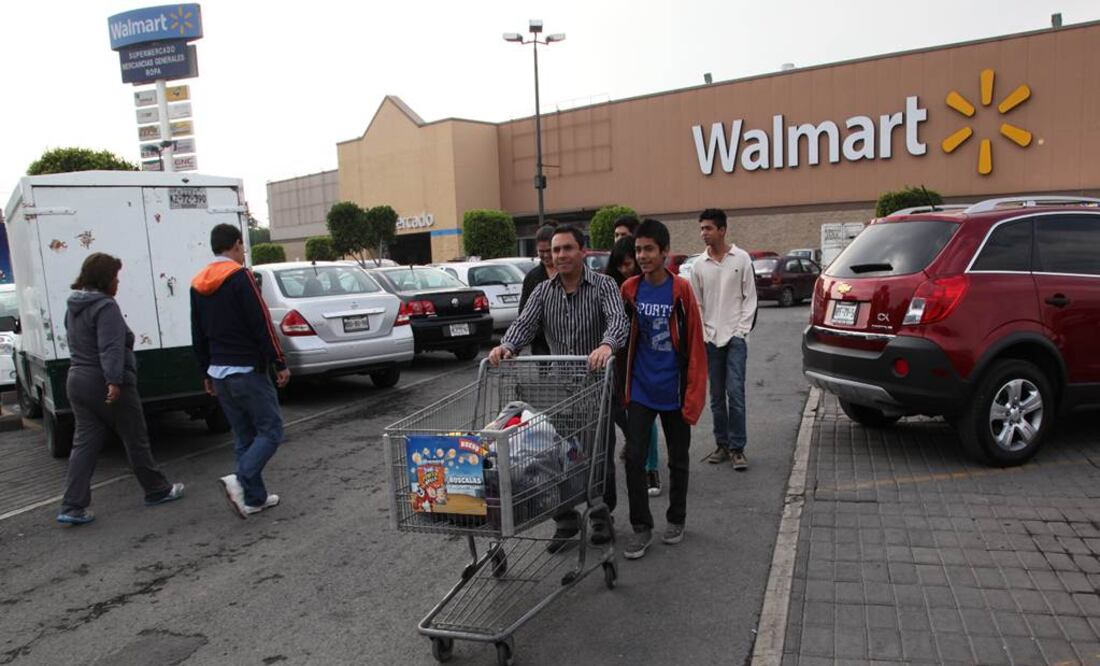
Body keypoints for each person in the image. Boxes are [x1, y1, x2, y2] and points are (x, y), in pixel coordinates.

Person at [488, 225, 628, 551]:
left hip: (596, 387)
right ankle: (564, 519)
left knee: (597, 458)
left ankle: (599, 516)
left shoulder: (604, 286)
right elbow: (524, 324)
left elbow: (618, 321)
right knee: (552, 456)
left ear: (582, 251)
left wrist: (607, 345)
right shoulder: (542, 291)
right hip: (557, 390)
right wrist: (507, 347)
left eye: (567, 248)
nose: (560, 255)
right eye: (556, 250)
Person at [57, 253, 184, 525]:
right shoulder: (105, 306)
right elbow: (111, 346)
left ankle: (72, 506)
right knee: (135, 436)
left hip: (76, 379)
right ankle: (157, 490)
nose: (118, 282)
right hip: (105, 381)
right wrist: (114, 381)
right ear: (105, 278)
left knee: (84, 445)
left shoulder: (74, 306)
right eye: (115, 277)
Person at [619, 220, 707, 559]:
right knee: (634, 458)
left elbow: (696, 345)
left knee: (679, 460)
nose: (642, 256)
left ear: (664, 252)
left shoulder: (680, 290)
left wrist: (694, 394)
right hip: (640, 390)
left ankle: (677, 518)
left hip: (674, 391)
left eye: (649, 249)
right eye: (638, 249)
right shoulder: (629, 289)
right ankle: (641, 527)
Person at [191, 224, 290, 519]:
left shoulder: (197, 284)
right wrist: (279, 361)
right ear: (235, 244)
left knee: (244, 436)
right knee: (271, 431)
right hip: (247, 369)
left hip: (219, 372)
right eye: (241, 247)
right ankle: (242, 478)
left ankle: (255, 498)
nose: (243, 252)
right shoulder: (241, 277)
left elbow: (197, 334)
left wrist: (205, 373)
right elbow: (260, 322)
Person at [689, 208, 757, 471]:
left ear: (722, 230)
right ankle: (722, 445)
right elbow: (697, 304)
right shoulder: (698, 266)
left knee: (735, 393)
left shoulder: (741, 258)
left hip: (736, 338)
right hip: (710, 339)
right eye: (701, 228)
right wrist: (705, 333)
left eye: (708, 228)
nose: (703, 233)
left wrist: (741, 331)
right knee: (716, 395)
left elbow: (750, 298)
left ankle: (738, 449)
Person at [606, 236, 663, 497]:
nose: (625, 270)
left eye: (628, 264)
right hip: (618, 359)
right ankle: (634, 446)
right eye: (620, 266)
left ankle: (650, 467)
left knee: (644, 415)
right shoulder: (610, 287)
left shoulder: (647, 287)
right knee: (620, 411)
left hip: (642, 359)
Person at [518, 223, 558, 356]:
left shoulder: (568, 272)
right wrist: (512, 347)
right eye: (542, 252)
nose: (546, 255)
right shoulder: (532, 277)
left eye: (549, 250)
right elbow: (523, 315)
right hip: (541, 344)